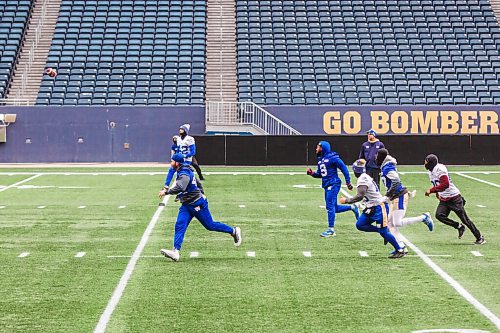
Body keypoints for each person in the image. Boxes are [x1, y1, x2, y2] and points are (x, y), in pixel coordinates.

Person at [158, 153, 242, 261]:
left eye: (172, 161)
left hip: (196, 204)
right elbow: (198, 183)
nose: (171, 163)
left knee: (210, 225)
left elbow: (181, 186)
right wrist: (200, 192)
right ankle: (176, 251)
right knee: (180, 225)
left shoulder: (184, 173)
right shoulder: (185, 170)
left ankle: (233, 231)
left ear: (177, 163)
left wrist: (167, 192)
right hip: (187, 205)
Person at [340, 159, 406, 259]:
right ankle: (382, 230)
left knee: (383, 232)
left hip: (379, 208)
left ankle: (399, 250)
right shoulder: (364, 177)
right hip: (371, 207)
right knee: (360, 225)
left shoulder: (363, 179)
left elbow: (360, 196)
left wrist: (347, 200)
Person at [376, 148, 434, 253]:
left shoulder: (387, 167)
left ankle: (424, 218)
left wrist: (387, 196)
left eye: (377, 156)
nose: (375, 158)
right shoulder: (386, 166)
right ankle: (401, 246)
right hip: (395, 196)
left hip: (399, 196)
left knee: (396, 223)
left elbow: (396, 182)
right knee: (390, 223)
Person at [424, 154, 485, 245]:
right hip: (444, 199)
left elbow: (445, 184)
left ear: (431, 163)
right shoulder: (431, 171)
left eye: (426, 162)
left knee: (465, 219)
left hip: (454, 198)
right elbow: (437, 184)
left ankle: (479, 237)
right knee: (439, 215)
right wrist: (437, 193)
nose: (424, 164)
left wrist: (431, 191)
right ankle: (459, 226)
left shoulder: (440, 169)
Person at [307, 140, 359, 237]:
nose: (316, 149)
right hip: (327, 184)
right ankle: (352, 207)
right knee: (333, 208)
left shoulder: (333, 157)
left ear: (323, 148)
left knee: (330, 206)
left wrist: (348, 181)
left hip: (334, 183)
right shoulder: (320, 159)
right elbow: (321, 174)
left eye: (318, 147)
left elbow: (343, 168)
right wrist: (312, 174)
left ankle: (331, 230)